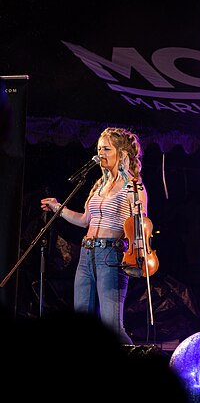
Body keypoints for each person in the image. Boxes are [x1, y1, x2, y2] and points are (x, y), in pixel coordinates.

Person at [40, 127, 147, 344]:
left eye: (107, 149)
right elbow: (85, 220)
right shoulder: (99, 185)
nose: (101, 154)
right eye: (99, 149)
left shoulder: (133, 186)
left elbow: (140, 221)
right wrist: (57, 208)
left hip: (110, 255)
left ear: (122, 153)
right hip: (86, 253)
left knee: (112, 327)